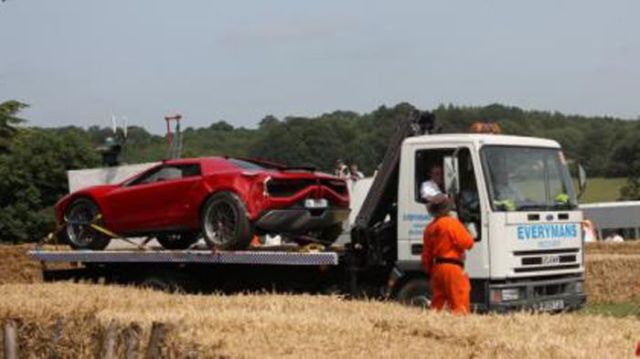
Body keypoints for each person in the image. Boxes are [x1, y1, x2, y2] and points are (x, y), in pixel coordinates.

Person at [421, 194, 475, 314]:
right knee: (460, 302)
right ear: (447, 208)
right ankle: (459, 328)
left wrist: (431, 270)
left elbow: (426, 256)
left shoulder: (429, 228)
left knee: (437, 305)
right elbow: (468, 243)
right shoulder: (452, 224)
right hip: (453, 268)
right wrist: (467, 230)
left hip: (437, 269)